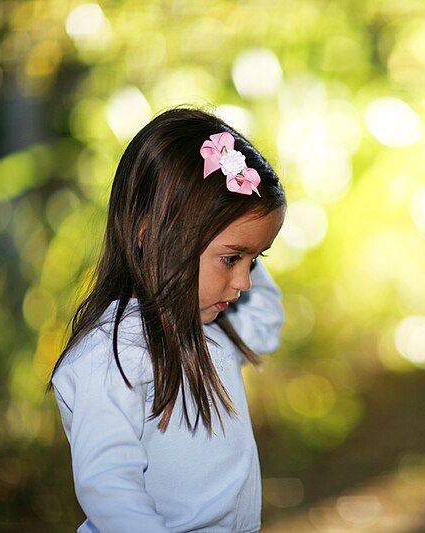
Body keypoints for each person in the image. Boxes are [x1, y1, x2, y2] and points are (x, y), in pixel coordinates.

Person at [45, 106, 287, 532]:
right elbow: (110, 488)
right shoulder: (113, 354)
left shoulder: (211, 332)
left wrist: (240, 244)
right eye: (231, 259)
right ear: (152, 236)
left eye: (255, 260)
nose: (245, 282)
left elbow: (266, 325)